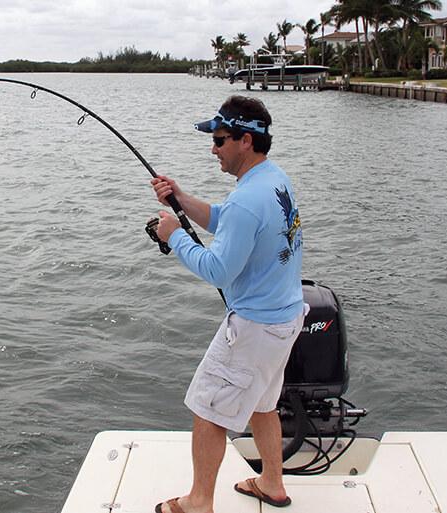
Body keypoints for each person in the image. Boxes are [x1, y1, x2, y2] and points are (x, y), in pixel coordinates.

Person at [152, 96, 306, 513]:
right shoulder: (275, 181)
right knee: (262, 404)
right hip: (286, 318)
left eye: (219, 140)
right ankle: (272, 482)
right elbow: (225, 221)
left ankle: (200, 501)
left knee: (207, 407)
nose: (213, 148)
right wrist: (180, 200)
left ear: (245, 140)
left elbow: (219, 270)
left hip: (254, 329)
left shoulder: (247, 199)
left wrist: (174, 235)